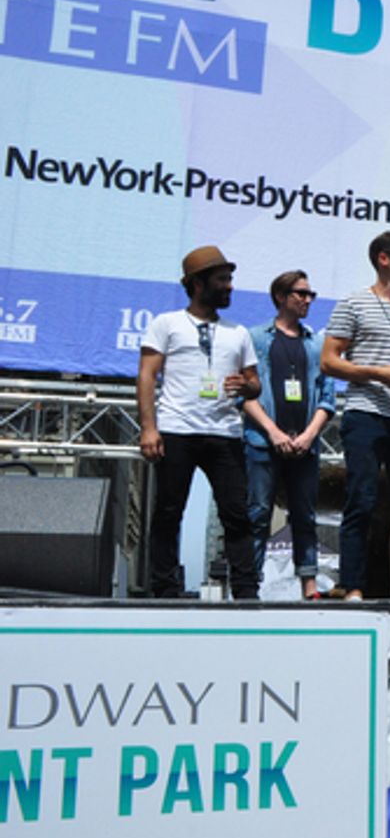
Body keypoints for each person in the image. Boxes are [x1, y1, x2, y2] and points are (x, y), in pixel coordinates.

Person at [137, 245, 261, 599]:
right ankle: (165, 587)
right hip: (177, 430)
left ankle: (246, 590)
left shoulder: (238, 332)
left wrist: (246, 385)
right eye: (222, 280)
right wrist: (149, 427)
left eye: (230, 279)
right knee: (168, 511)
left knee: (237, 514)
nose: (230, 286)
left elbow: (255, 384)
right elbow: (147, 375)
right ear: (197, 284)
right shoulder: (167, 324)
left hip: (224, 433)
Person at [320, 230, 390, 602]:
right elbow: (329, 361)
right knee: (362, 499)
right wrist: (379, 373)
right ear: (384, 259)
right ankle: (352, 585)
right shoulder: (353, 303)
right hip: (366, 413)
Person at [241, 270, 336, 600]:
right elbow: (245, 394)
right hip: (262, 441)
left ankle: (309, 586)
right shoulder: (256, 338)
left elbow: (328, 395)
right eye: (300, 293)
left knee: (305, 516)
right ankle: (249, 585)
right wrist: (273, 431)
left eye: (311, 295)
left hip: (304, 445)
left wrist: (310, 434)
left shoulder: (317, 343)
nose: (307, 300)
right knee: (257, 514)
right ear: (281, 297)